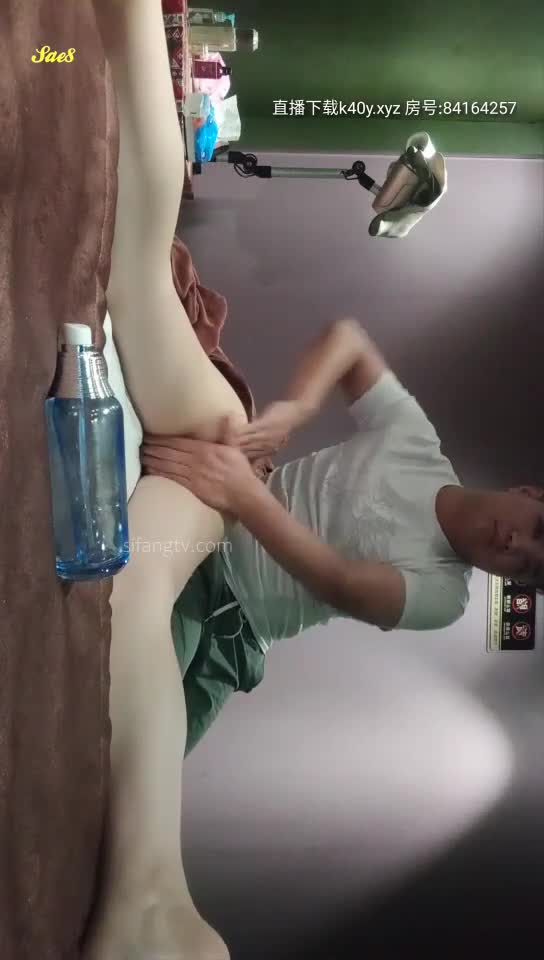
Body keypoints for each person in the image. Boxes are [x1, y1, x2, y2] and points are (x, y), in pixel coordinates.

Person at [86, 2, 544, 958]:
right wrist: (291, 412)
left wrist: (239, 490)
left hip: (227, 614)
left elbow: (335, 578)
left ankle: (155, 905)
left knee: (115, 721)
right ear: (529, 496)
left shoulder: (439, 597)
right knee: (139, 272)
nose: (516, 548)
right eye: (537, 532)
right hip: (221, 489)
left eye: (530, 569)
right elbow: (346, 339)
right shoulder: (419, 447)